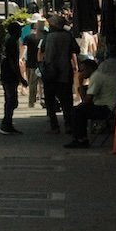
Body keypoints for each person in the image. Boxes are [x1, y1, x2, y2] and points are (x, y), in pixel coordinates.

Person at [38, 14, 78, 142]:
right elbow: (76, 49)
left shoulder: (50, 37)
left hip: (52, 73)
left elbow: (47, 55)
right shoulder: (68, 36)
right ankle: (69, 125)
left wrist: (45, 67)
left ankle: (54, 126)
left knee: (50, 100)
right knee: (67, 101)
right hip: (66, 72)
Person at [0, 18, 23, 136]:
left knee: (11, 100)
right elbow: (13, 61)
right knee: (11, 100)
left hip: (6, 74)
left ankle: (7, 122)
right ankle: (6, 123)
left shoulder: (9, 40)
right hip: (10, 75)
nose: (21, 31)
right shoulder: (12, 42)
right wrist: (20, 77)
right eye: (19, 29)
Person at [22, 17, 42, 109]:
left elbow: (24, 48)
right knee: (42, 84)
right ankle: (43, 100)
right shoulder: (42, 37)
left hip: (31, 63)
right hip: (42, 63)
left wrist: (21, 57)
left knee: (32, 84)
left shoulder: (28, 37)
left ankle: (31, 102)